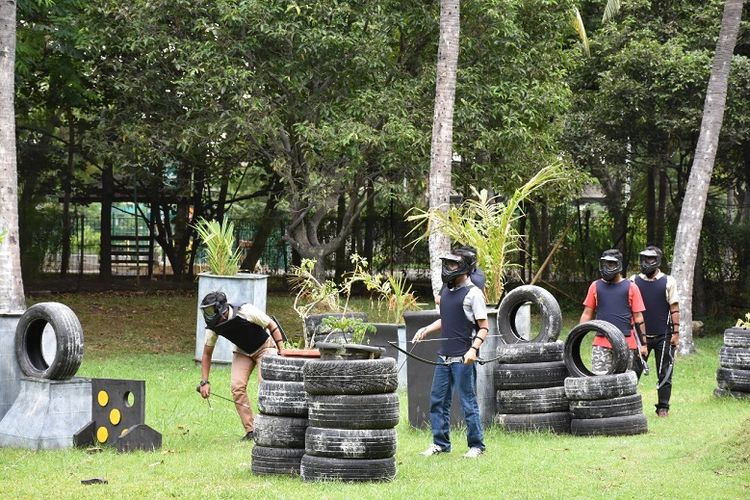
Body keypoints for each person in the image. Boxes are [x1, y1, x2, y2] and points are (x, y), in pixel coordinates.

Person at [412, 250, 489, 459]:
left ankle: (477, 446)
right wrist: (426, 329)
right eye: (447, 264)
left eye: (453, 265)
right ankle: (440, 444)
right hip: (443, 356)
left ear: (465, 267)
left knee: (468, 402)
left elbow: (484, 327)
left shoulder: (474, 294)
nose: (448, 268)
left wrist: (473, 350)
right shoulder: (446, 291)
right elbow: (448, 319)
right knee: (438, 400)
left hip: (463, 358)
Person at [197, 291, 285, 441]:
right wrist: (205, 382)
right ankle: (251, 431)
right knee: (237, 387)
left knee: (265, 385)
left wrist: (282, 351)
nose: (208, 315)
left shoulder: (245, 311)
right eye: (206, 311)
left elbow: (272, 325)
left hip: (265, 347)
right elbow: (206, 354)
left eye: (211, 310)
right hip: (243, 351)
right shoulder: (213, 327)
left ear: (222, 309)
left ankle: (272, 427)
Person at [630, 246, 680, 417]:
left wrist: (676, 333)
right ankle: (628, 404)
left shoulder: (668, 281)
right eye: (644, 259)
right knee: (633, 371)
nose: (647, 263)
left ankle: (663, 407)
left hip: (663, 335)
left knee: (664, 371)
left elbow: (674, 308)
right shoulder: (633, 281)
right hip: (638, 336)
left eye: (651, 259)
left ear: (658, 261)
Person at [579, 249, 647, 376]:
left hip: (626, 343)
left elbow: (639, 319)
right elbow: (587, 313)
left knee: (623, 382)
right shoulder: (595, 286)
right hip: (601, 342)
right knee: (599, 382)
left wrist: (643, 345)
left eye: (611, 264)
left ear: (619, 265)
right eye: (605, 264)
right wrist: (577, 336)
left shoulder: (632, 287)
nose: (607, 267)